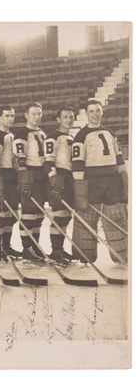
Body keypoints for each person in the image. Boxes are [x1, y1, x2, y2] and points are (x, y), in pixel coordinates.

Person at [71, 99, 128, 263]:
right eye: (91, 111)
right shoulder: (81, 136)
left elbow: (119, 160)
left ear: (102, 112)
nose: (95, 114)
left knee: (118, 219)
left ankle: (123, 256)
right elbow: (77, 165)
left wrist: (125, 182)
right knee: (86, 220)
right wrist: (80, 192)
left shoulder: (110, 133)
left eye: (98, 110)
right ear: (87, 114)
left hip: (113, 183)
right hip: (92, 184)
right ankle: (84, 256)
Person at [12, 102, 47, 262]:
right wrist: (24, 177)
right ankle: (27, 248)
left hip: (42, 176)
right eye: (33, 113)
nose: (37, 117)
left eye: (39, 113)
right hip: (29, 176)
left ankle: (35, 245)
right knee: (29, 213)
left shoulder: (42, 133)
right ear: (26, 115)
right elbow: (19, 158)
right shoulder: (21, 133)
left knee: (39, 215)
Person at [0, 105, 22, 260]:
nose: (10, 118)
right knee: (2, 215)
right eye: (7, 116)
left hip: (13, 178)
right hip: (2, 179)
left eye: (12, 116)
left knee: (13, 215)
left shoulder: (11, 135)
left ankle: (6, 248)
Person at [43, 105, 76, 264]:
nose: (68, 120)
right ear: (58, 120)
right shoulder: (52, 137)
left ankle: (60, 248)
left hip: (70, 178)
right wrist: (54, 180)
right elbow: (48, 162)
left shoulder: (72, 137)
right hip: (58, 178)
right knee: (59, 215)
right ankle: (55, 250)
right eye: (65, 117)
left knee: (66, 216)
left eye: (71, 117)